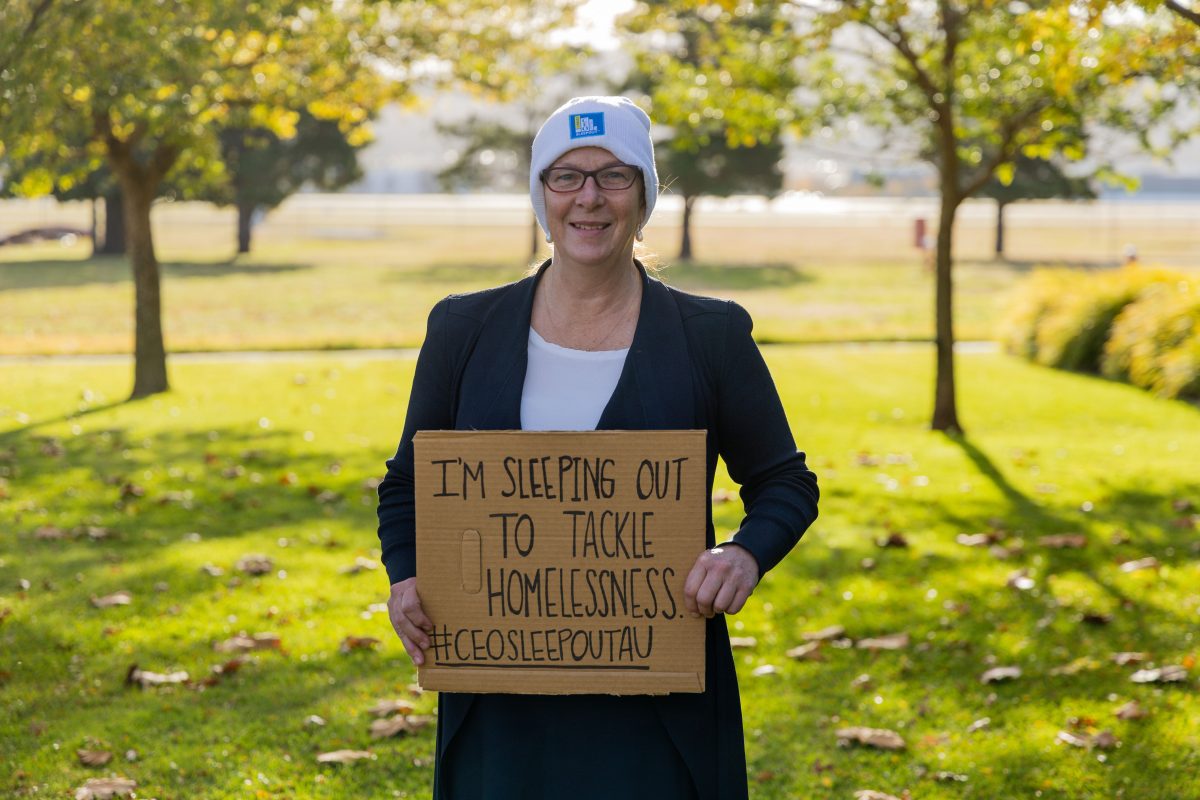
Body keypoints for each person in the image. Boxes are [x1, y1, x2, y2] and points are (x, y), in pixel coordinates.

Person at [376, 95, 819, 800]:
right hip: (502, 703)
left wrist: (745, 553)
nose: (589, 197)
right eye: (566, 176)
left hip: (657, 706)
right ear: (540, 194)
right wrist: (404, 577)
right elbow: (407, 485)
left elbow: (785, 482)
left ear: (643, 195)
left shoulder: (711, 336)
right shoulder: (462, 329)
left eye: (614, 175)